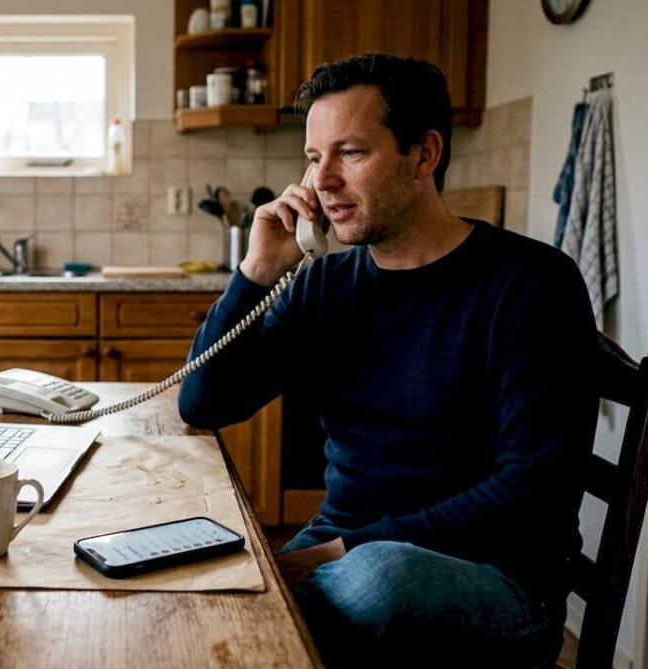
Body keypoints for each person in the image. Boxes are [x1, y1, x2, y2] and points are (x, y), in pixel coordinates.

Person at [177, 53, 598, 667]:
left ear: (424, 154)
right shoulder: (326, 283)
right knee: (223, 570)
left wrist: (335, 553)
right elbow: (204, 403)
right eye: (313, 157)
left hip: (498, 579)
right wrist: (254, 273)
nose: (321, 181)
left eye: (349, 153)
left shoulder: (532, 284)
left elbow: (534, 489)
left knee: (367, 581)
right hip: (346, 551)